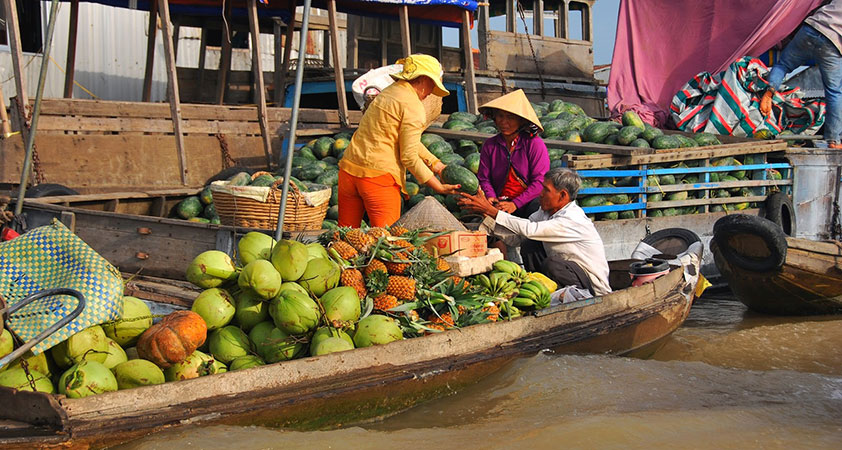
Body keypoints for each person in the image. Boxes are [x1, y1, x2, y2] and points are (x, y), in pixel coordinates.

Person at [338, 54, 461, 227]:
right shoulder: (413, 106)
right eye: (433, 83)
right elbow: (409, 156)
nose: (432, 91)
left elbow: (404, 139)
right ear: (423, 79)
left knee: (345, 236)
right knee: (385, 239)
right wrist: (437, 186)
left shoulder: (388, 92)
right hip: (378, 178)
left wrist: (435, 164)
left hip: (348, 172)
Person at [459, 167, 611, 297]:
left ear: (563, 195)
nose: (541, 194)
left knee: (553, 264)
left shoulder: (572, 219)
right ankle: (538, 291)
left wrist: (492, 211)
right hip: (566, 274)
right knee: (529, 244)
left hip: (591, 287)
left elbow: (530, 229)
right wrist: (487, 215)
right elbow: (519, 237)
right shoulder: (545, 212)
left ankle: (573, 297)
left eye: (546, 190)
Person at [760, 0, 842, 148]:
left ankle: (769, 91)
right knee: (834, 92)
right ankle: (833, 140)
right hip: (832, 42)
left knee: (783, 65)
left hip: (811, 28)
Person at [470, 89, 550, 218]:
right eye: (500, 116)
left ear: (521, 121)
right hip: (500, 201)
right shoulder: (490, 145)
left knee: (536, 208)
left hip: (527, 202)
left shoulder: (534, 144)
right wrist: (491, 196)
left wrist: (515, 204)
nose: (503, 122)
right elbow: (484, 178)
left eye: (510, 117)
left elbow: (540, 182)